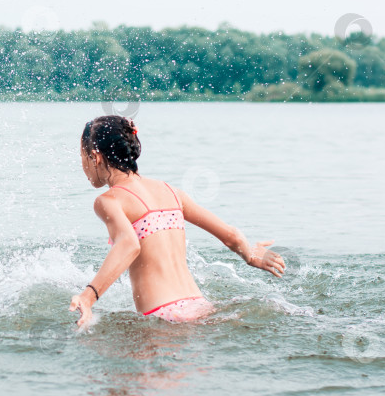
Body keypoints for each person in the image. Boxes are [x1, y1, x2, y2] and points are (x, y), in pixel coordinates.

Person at [69, 116, 286, 326]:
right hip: (201, 308)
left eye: (82, 156)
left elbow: (129, 244)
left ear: (95, 157)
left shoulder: (108, 200)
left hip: (163, 316)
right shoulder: (171, 191)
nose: (82, 164)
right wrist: (250, 254)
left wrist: (88, 297)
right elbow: (232, 236)